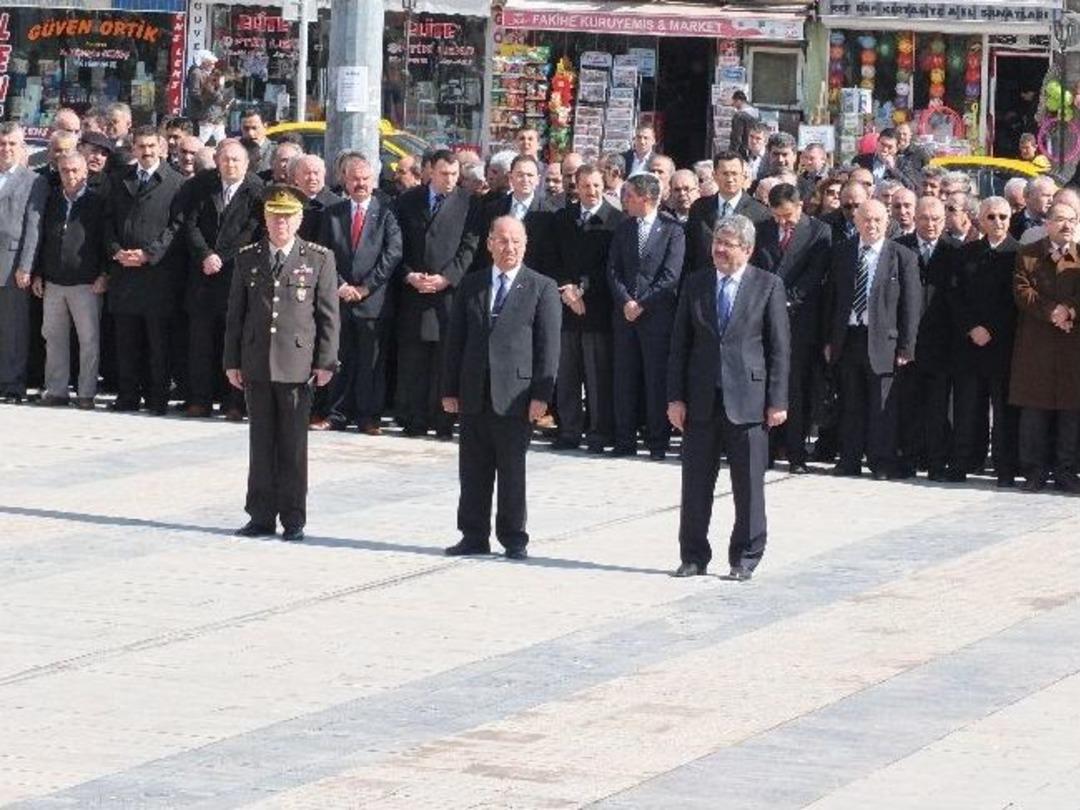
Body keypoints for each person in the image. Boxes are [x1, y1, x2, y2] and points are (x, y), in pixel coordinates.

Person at [667, 214, 790, 580]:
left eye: (729, 244)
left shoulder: (768, 285)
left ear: (748, 250)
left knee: (749, 487)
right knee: (695, 486)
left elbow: (780, 348)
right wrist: (675, 397)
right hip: (701, 399)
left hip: (749, 401)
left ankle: (745, 557)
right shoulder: (696, 283)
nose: (719, 250)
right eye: (717, 242)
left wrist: (778, 400)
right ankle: (693, 556)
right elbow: (679, 345)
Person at [441, 215, 561, 560]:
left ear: (525, 245)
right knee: (473, 470)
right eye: (503, 241)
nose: (509, 248)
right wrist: (450, 389)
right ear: (490, 243)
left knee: (512, 471)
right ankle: (473, 534)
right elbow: (456, 340)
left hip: (516, 396)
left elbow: (548, 347)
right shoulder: (473, 284)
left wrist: (542, 395)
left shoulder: (541, 287)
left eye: (516, 242)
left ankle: (513, 537)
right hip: (474, 392)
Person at [225, 185, 340, 542]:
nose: (281, 224)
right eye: (275, 216)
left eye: (288, 217)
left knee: (292, 445)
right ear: (265, 218)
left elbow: (328, 315)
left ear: (300, 219)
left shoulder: (318, 258)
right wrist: (232, 360)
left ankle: (293, 517)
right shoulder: (248, 257)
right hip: (257, 360)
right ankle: (260, 515)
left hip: (296, 363)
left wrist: (325, 362)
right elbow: (235, 314)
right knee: (261, 444)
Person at [824, 199, 921, 479]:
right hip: (849, 337)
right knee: (850, 402)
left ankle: (881, 461)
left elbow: (911, 306)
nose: (872, 225)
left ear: (887, 221)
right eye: (866, 220)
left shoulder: (901, 256)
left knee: (882, 405)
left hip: (884, 341)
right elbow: (832, 299)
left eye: (878, 220)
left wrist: (906, 345)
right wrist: (829, 340)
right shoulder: (842, 253)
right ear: (856, 222)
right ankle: (849, 459)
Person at [393, 149, 479, 437]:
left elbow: (470, 247)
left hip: (447, 295)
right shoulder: (408, 201)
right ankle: (413, 417)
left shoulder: (469, 203)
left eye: (455, 174)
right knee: (413, 359)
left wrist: (447, 278)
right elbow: (396, 244)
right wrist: (408, 274)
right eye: (444, 174)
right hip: (414, 291)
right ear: (430, 171)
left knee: (445, 358)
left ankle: (442, 420)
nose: (450, 180)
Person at [317, 153, 402, 434]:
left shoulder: (387, 211)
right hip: (340, 299)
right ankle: (337, 414)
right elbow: (325, 253)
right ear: (344, 180)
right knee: (340, 358)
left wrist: (366, 287)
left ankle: (369, 417)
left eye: (365, 179)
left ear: (374, 180)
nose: (360, 184)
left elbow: (392, 254)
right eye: (355, 179)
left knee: (371, 364)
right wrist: (340, 285)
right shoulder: (333, 214)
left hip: (373, 302)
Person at [104, 125, 185, 414]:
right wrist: (116, 251)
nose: (147, 152)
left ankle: (157, 398)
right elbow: (107, 221)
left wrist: (149, 254)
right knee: (126, 341)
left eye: (152, 146)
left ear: (161, 148)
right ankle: (127, 396)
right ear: (133, 148)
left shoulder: (175, 182)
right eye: (141, 146)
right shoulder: (118, 179)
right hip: (124, 274)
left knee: (157, 344)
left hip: (157, 276)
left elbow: (177, 226)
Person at [751, 183, 831, 473]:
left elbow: (814, 275)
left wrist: (785, 301)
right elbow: (756, 268)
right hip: (764, 319)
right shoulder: (761, 230)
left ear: (800, 206)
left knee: (795, 388)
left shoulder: (819, 232)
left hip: (800, 320)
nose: (783, 222)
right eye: (777, 217)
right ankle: (766, 451)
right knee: (765, 385)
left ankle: (796, 453)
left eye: (787, 216)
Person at [184, 138, 264, 419]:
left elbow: (252, 231)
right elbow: (190, 224)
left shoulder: (256, 192)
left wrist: (224, 257)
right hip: (204, 277)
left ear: (247, 163)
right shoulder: (203, 187)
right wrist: (205, 254)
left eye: (236, 160)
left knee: (236, 343)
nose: (230, 164)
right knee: (200, 342)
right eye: (226, 159)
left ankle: (235, 402)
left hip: (236, 277)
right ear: (217, 161)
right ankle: (200, 399)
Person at [608, 173, 685, 459]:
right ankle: (624, 438)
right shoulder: (624, 227)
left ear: (646, 198)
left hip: (656, 316)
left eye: (629, 196)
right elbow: (613, 269)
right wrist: (626, 300)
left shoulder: (671, 229)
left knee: (656, 380)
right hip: (626, 315)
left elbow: (670, 276)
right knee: (624, 378)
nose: (624, 200)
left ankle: (657, 441)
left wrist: (643, 303)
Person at [945, 197, 1020, 486]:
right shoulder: (967, 253)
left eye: (1003, 216)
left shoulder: (1019, 253)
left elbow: (1015, 300)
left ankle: (1005, 467)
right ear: (980, 220)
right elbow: (954, 294)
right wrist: (971, 327)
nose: (997, 222)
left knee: (1003, 411)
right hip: (969, 345)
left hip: (1003, 345)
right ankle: (962, 461)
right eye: (991, 217)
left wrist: (992, 329)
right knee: (967, 407)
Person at [550, 164, 625, 452]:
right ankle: (568, 430)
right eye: (585, 186)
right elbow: (551, 257)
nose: (591, 191)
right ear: (576, 186)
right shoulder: (562, 218)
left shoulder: (616, 220)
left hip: (597, 310)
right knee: (567, 374)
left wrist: (582, 290)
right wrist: (566, 288)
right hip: (565, 307)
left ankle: (598, 432)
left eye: (596, 185)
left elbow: (612, 266)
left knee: (597, 376)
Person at [1009, 202, 1080, 493]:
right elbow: (1021, 290)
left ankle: (1065, 470)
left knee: (1070, 411)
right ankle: (1034, 471)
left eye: (1072, 220)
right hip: (1036, 345)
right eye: (1061, 220)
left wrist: (1070, 311)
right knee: (1034, 412)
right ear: (1047, 223)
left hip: (1071, 345)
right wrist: (1052, 312)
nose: (1067, 226)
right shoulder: (1029, 253)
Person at [30, 152, 107, 409]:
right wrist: (38, 272)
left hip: (86, 283)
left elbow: (106, 241)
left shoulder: (98, 203)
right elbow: (42, 240)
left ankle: (86, 393)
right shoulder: (51, 200)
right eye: (65, 171)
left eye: (75, 170)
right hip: (54, 282)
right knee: (53, 338)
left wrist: (104, 274)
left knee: (89, 340)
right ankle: (57, 390)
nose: (70, 175)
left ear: (85, 172)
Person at [894, 195, 962, 479]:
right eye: (925, 218)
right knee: (908, 403)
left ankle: (936, 462)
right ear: (915, 219)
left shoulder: (956, 251)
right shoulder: (900, 248)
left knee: (938, 408)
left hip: (942, 344)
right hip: (907, 342)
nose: (931, 224)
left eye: (936, 219)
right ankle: (908, 458)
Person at [0, 124, 48, 403]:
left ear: (23, 149)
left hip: (12, 262)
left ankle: (12, 383)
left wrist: (27, 265)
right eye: (3, 143)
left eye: (12, 144)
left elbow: (34, 226)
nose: (6, 149)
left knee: (14, 329)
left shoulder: (33, 181)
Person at [685, 151, 769, 274]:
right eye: (725, 174)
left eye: (734, 174)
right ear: (715, 176)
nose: (730, 179)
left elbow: (761, 259)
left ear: (743, 176)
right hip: (703, 281)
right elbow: (690, 251)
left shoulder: (760, 213)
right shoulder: (699, 208)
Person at [474, 155, 552, 275]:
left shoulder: (549, 214)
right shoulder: (492, 209)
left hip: (533, 281)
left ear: (538, 179)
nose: (525, 179)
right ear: (511, 177)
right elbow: (483, 249)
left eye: (530, 175)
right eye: (520, 175)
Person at [292, 155, 339, 242]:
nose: (312, 178)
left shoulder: (338, 206)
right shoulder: (289, 203)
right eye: (307, 173)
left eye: (316, 173)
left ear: (324, 175)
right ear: (296, 177)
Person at [852, 128, 917, 190]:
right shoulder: (861, 160)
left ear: (897, 148)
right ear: (877, 142)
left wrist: (894, 169)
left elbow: (911, 187)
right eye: (882, 144)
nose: (885, 149)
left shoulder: (904, 163)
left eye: (890, 147)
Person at [1010, 176, 1056, 240]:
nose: (1051, 200)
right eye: (1046, 195)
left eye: (1054, 196)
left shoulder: (1060, 224)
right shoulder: (1010, 224)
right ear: (1028, 196)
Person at [728, 90, 760, 158]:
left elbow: (736, 136)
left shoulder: (739, 116)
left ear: (738, 100)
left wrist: (732, 151)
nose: (733, 104)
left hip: (743, 149)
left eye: (734, 101)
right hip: (755, 146)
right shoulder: (757, 114)